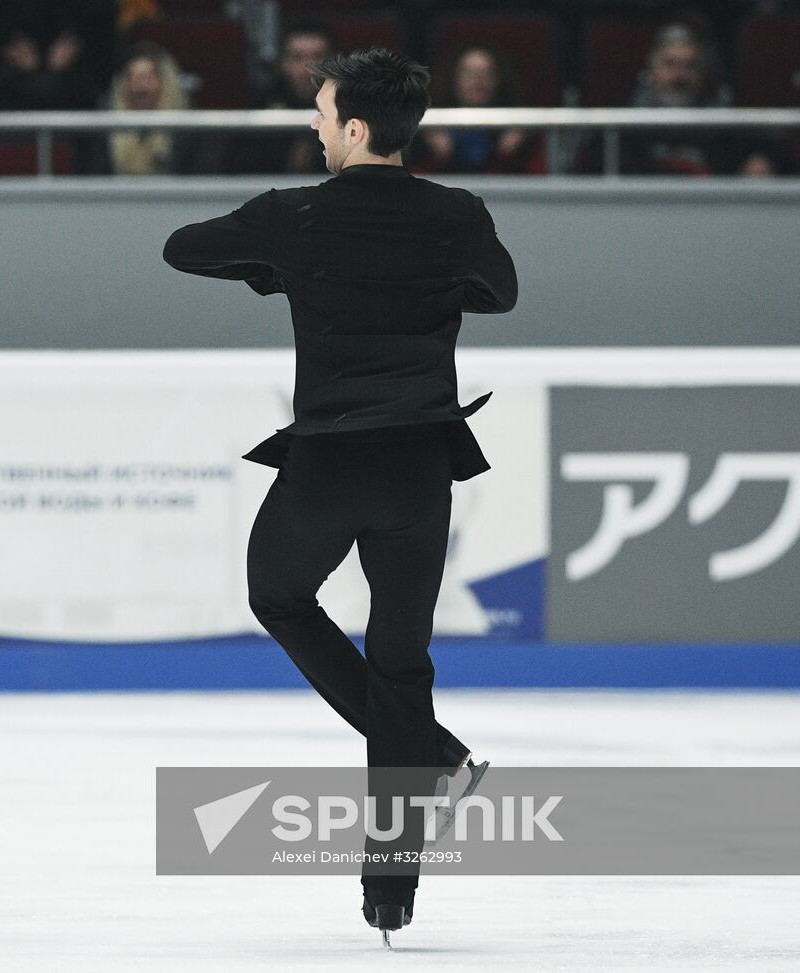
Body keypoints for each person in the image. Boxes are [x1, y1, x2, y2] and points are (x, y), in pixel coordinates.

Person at [163, 48, 515, 944]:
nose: (314, 128)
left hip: (330, 460)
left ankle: (435, 754)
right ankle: (391, 888)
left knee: (277, 591)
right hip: (417, 464)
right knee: (402, 660)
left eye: (320, 115)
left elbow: (183, 249)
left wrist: (279, 265)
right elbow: (500, 292)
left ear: (355, 129)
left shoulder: (295, 215)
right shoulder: (457, 213)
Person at [615, 22, 780, 176]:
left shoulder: (725, 120)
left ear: (703, 72)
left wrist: (762, 161)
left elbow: (775, 151)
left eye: (689, 66)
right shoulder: (625, 120)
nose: (679, 76)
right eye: (670, 64)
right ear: (652, 68)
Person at [408, 44, 544, 175]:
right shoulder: (427, 126)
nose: (478, 79)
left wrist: (511, 156)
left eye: (487, 72)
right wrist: (432, 154)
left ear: (498, 80)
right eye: (468, 72)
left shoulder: (519, 126)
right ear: (454, 78)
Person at [232, 23, 333, 175]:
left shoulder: (351, 107)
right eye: (297, 58)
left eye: (317, 57)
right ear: (282, 63)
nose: (308, 69)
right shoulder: (261, 106)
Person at [92, 42, 200, 176]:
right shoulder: (104, 124)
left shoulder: (190, 128)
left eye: (149, 78)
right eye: (133, 78)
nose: (141, 88)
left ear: (166, 85)